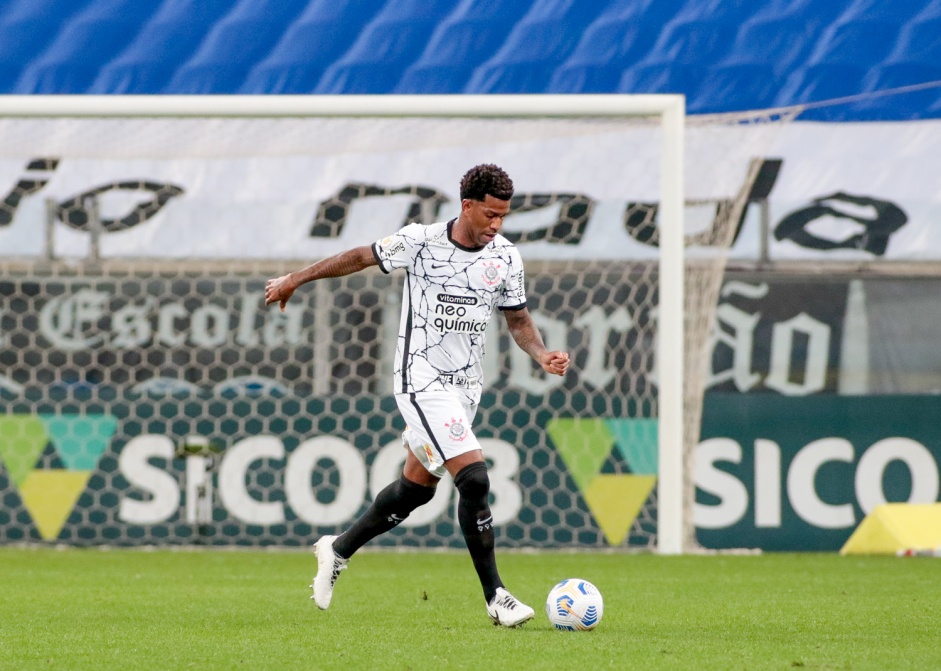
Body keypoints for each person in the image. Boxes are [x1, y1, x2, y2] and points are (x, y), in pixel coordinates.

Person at [264, 164, 570, 627]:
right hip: (420, 380)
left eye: (503, 217)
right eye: (489, 215)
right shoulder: (421, 241)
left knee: (416, 490)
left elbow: (519, 320)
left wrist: (542, 354)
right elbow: (358, 257)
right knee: (474, 480)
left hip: (466, 388)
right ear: (467, 205)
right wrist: (295, 279)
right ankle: (497, 598)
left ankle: (337, 548)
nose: (496, 225)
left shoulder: (506, 257)